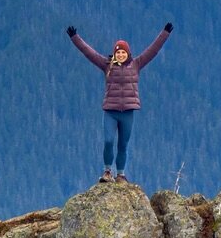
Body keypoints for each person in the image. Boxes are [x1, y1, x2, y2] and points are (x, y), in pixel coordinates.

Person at [66, 22, 174, 185]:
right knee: (109, 141)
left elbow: (153, 50)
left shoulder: (136, 64)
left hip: (128, 112)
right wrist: (75, 38)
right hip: (110, 111)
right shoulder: (106, 65)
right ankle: (108, 171)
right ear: (115, 54)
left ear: (128, 53)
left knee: (123, 144)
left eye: (123, 52)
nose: (121, 55)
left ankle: (121, 175)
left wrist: (165, 33)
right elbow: (88, 52)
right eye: (118, 52)